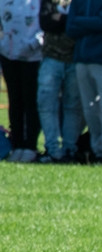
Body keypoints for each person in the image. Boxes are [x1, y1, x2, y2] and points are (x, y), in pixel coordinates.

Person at [67, 0, 102, 163]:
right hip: (81, 58)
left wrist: (80, 20)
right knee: (88, 107)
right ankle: (97, 147)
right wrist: (92, 21)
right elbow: (70, 28)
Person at [37, 0, 83, 163]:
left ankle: (69, 149)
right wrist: (69, 19)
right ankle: (52, 149)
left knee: (73, 106)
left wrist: (61, 19)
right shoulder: (50, 1)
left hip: (75, 59)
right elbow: (46, 23)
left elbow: (81, 25)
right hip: (51, 58)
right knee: (46, 103)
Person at [1, 0, 43, 162]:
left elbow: (46, 26)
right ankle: (17, 144)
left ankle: (30, 145)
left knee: (30, 101)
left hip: (32, 57)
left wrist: (33, 45)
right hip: (8, 55)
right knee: (15, 100)